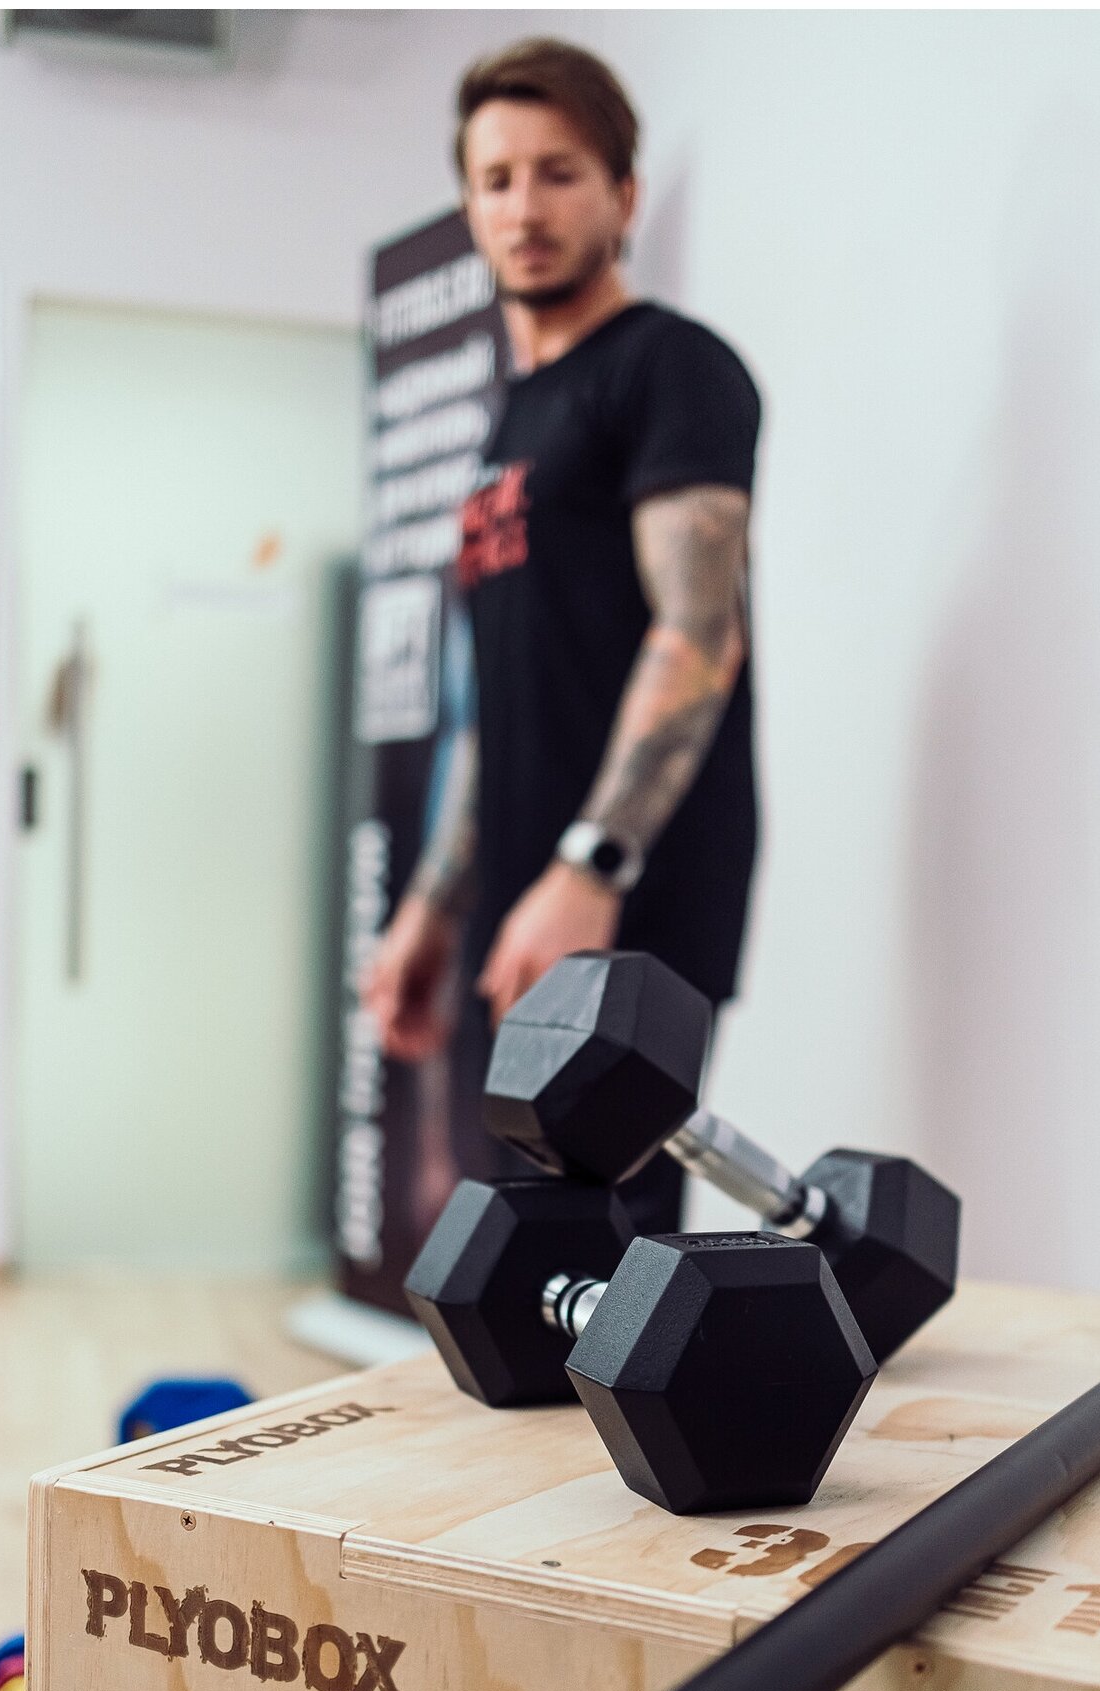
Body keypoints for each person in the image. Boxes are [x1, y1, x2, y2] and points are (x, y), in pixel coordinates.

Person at [363, 37, 761, 1233]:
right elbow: (499, 696)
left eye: (558, 172)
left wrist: (592, 866)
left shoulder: (670, 369)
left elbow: (698, 634)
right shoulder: (512, 420)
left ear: (622, 195)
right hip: (524, 895)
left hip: (628, 892)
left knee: (613, 1263)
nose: (524, 208)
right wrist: (435, 901)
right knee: (518, 1254)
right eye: (496, 179)